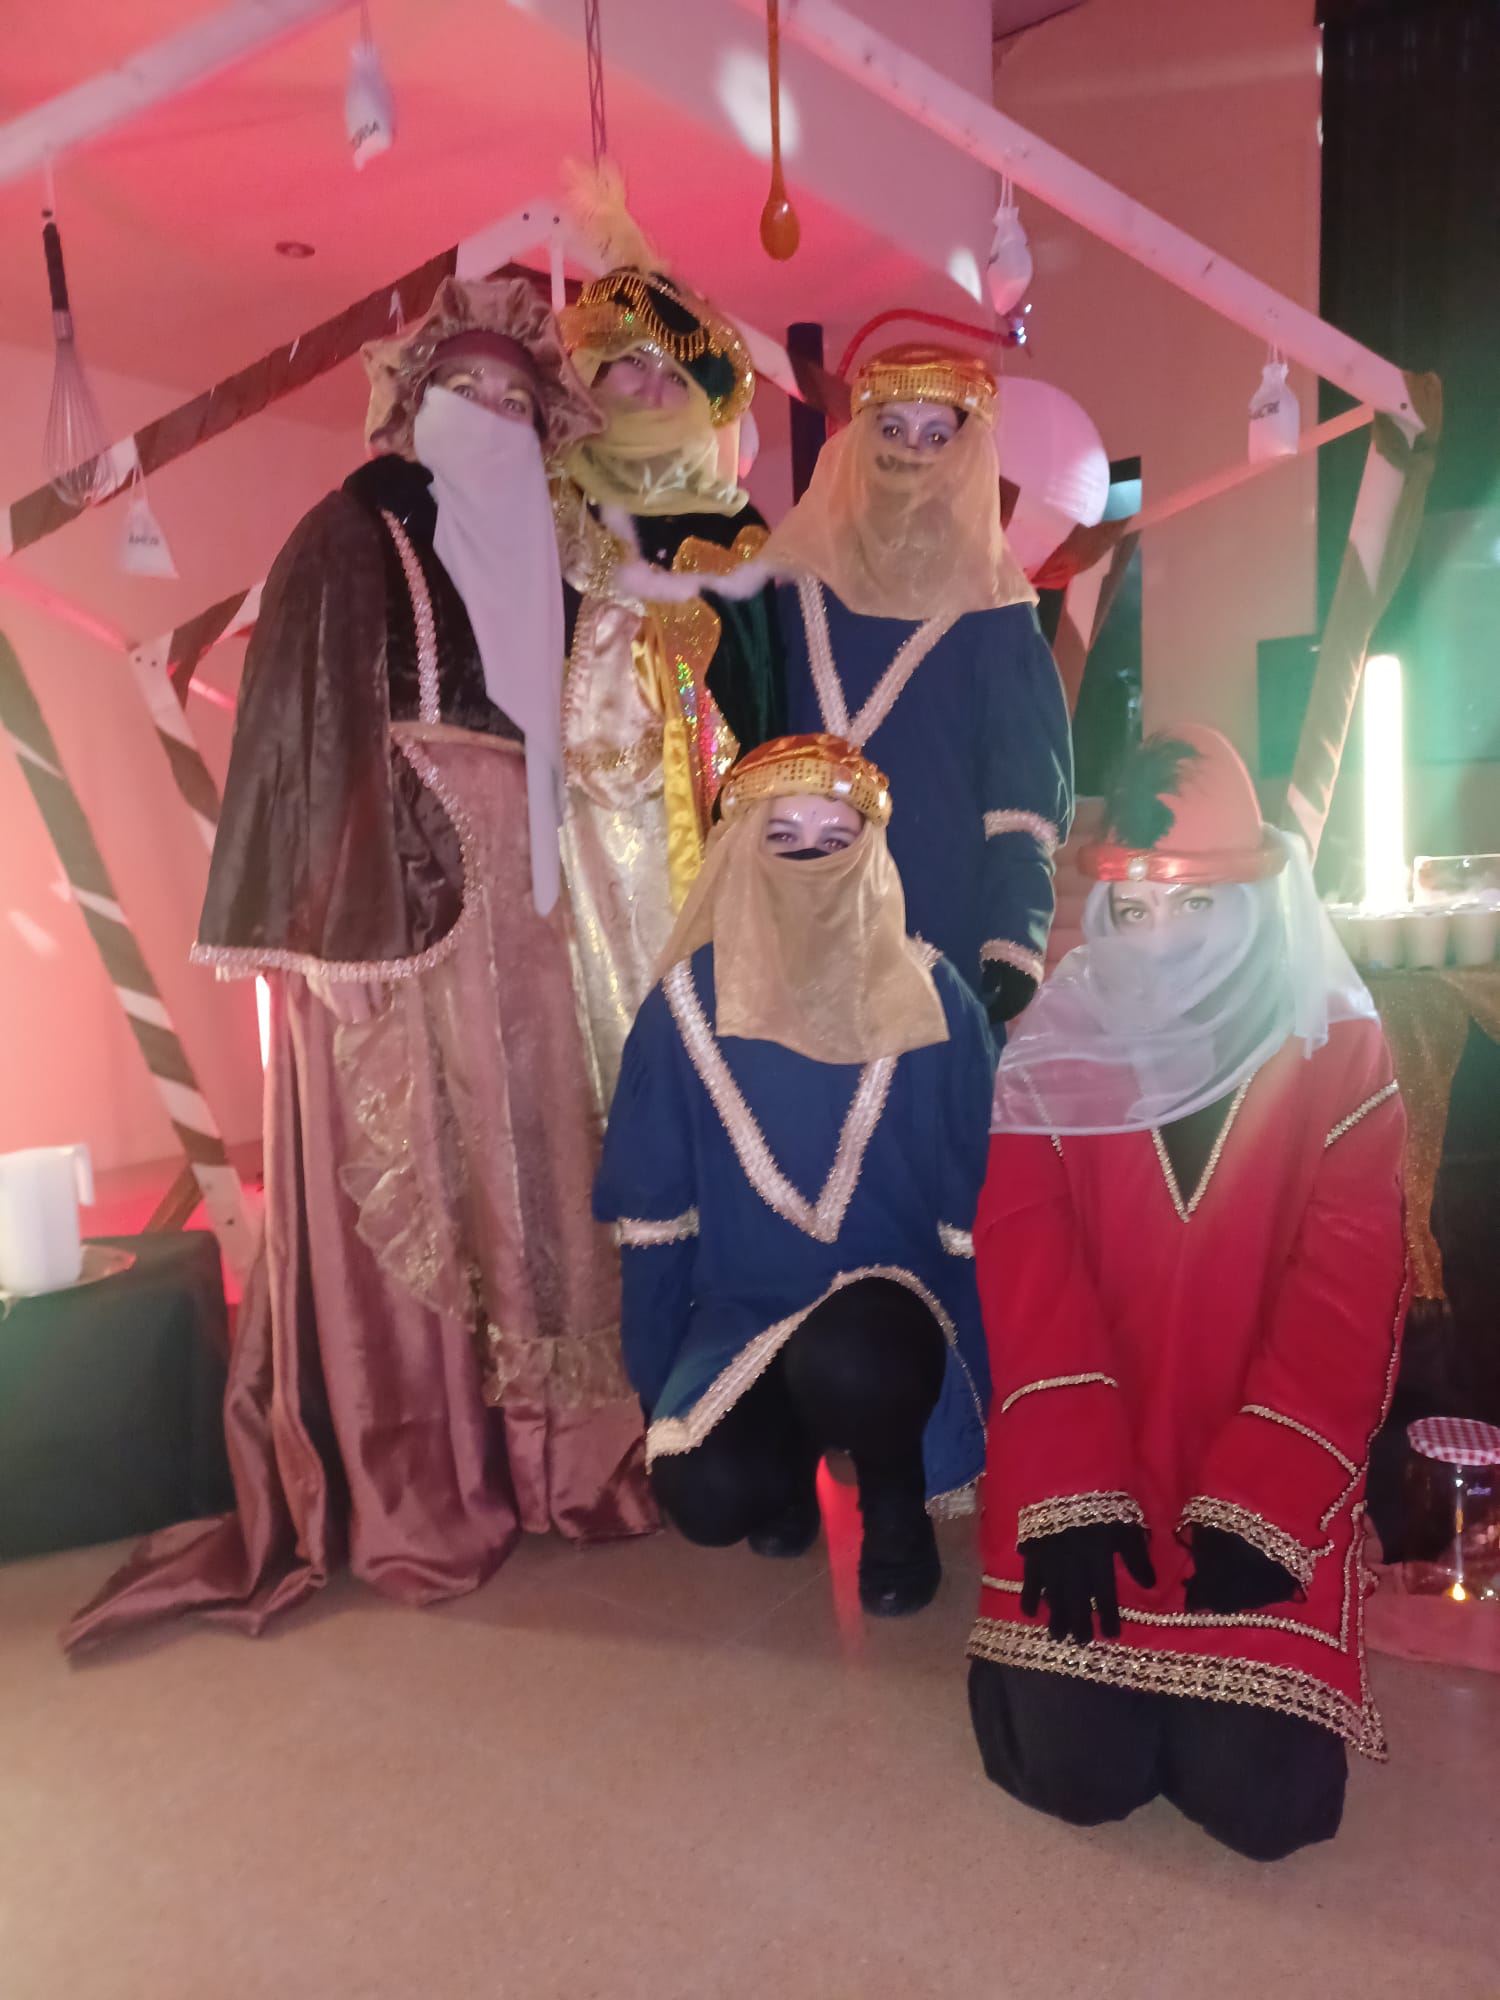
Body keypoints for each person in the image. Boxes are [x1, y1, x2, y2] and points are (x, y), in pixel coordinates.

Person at [65, 278, 656, 1654]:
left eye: (517, 401)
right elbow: (300, 739)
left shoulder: (558, 559)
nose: (495, 418)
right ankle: (429, 1478)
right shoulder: (349, 532)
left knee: (541, 1177)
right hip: (401, 917)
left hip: (534, 924)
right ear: (415, 404)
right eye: (470, 394)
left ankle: (559, 1461)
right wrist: (331, 930)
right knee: (432, 1186)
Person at [966, 725, 1408, 1859]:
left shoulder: (1337, 1052)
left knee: (1265, 1804)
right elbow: (1028, 1267)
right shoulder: (1055, 1045)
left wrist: (1268, 1497)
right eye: (1135, 906)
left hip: (1247, 1461)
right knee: (1078, 1773)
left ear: (1255, 896)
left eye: (1196, 903)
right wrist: (1069, 1483)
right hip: (1092, 1455)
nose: (1159, 938)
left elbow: (1346, 1294)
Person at [593, 732, 995, 1617]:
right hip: (744, 1311)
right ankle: (786, 1466)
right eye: (783, 837)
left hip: (891, 1315)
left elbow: (974, 1225)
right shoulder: (682, 1008)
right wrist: (661, 1396)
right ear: (742, 850)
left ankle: (894, 1503)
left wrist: (983, 1394)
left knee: (857, 1356)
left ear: (871, 852)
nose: (810, 860)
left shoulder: (934, 999)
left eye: (835, 839)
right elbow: (654, 1226)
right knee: (704, 1494)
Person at [754, 342, 1072, 1035]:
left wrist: (1013, 933)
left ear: (966, 455)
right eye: (892, 428)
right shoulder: (794, 591)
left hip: (940, 918)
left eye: (936, 436)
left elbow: (1021, 791)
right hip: (802, 917)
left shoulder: (995, 611)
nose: (910, 452)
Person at [554, 246, 784, 1108]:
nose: (652, 393)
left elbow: (767, 708)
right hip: (560, 855)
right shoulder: (540, 512)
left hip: (694, 856)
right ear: (591, 376)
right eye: (632, 366)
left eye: (674, 378)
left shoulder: (736, 535)